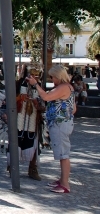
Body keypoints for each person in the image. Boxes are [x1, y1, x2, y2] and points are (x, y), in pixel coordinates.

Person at [27, 65, 75, 193]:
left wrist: (35, 84)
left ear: (58, 76)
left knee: (63, 154)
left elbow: (46, 97)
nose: (52, 79)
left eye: (52, 77)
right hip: (63, 123)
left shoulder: (63, 87)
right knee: (61, 153)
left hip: (60, 125)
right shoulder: (68, 87)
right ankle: (62, 180)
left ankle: (65, 184)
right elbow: (73, 108)